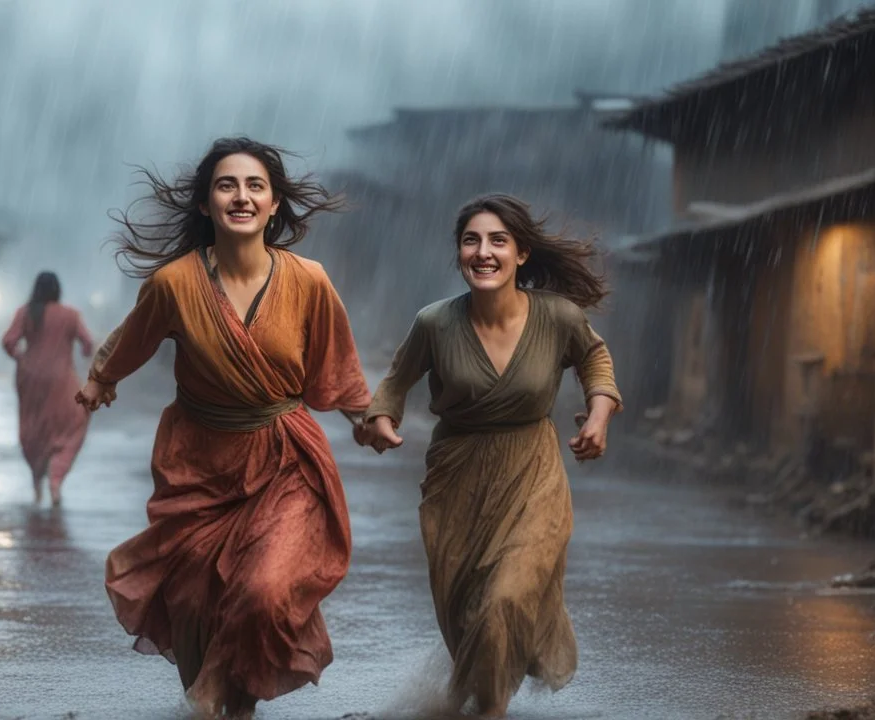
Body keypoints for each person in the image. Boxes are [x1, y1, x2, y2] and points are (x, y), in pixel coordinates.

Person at [76, 137, 371, 719]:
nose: (241, 196)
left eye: (255, 185)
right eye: (226, 185)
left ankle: (212, 690)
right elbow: (131, 337)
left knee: (263, 591)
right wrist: (100, 379)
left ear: (275, 202)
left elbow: (338, 366)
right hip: (199, 461)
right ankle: (230, 705)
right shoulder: (175, 284)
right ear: (206, 205)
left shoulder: (309, 280)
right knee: (193, 600)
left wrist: (367, 418)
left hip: (286, 458)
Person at [355, 193, 622, 718]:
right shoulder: (434, 323)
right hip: (456, 479)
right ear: (458, 254)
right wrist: (381, 421)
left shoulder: (558, 317)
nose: (483, 252)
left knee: (506, 598)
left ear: (521, 254)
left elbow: (595, 358)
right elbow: (394, 382)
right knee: (466, 610)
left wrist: (598, 416)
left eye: (498, 241)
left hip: (533, 473)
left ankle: (492, 710)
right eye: (471, 241)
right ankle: (483, 697)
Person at [2, 271, 94, 507]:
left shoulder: (25, 313)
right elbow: (87, 344)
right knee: (75, 422)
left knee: (34, 428)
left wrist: (21, 357)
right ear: (57, 290)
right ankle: (55, 479)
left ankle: (36, 482)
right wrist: (84, 355)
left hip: (30, 379)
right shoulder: (70, 315)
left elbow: (8, 341)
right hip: (62, 380)